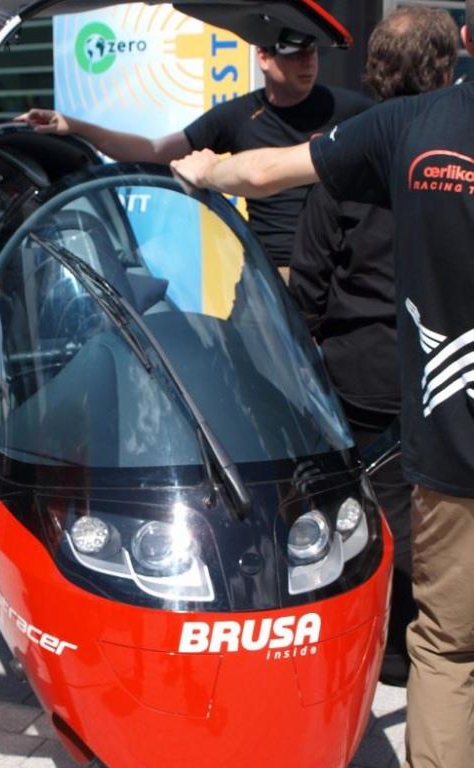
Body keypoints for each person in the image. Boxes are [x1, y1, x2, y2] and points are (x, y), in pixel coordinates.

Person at [171, 3, 474, 765]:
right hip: (414, 406)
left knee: (445, 639)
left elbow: (276, 203)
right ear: (452, 52)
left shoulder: (392, 133)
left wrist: (205, 172)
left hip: (424, 416)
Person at [288, 5, 459, 687]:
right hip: (444, 368)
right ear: (445, 68)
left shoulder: (347, 151)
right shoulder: (452, 147)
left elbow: (310, 281)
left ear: (376, 70)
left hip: (364, 372)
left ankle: (387, 647)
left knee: (374, 513)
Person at [17, 35, 372, 270]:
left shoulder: (352, 109)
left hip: (339, 267)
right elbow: (153, 151)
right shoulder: (237, 115)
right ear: (263, 57)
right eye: (294, 55)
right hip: (272, 269)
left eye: (312, 52)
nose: (307, 62)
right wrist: (75, 125)